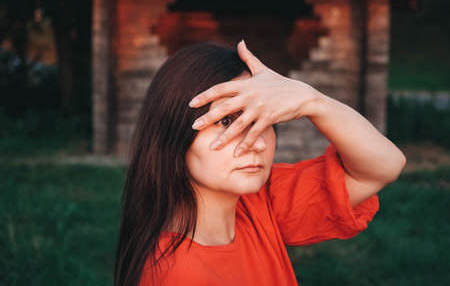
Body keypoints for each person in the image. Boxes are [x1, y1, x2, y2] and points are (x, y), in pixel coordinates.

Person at [114, 41, 406, 286]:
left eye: (261, 119)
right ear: (173, 134)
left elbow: (384, 166)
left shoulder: (262, 204)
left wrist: (311, 101)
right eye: (227, 121)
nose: (256, 142)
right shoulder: (176, 275)